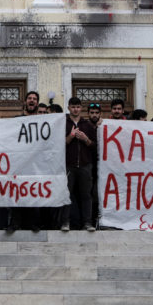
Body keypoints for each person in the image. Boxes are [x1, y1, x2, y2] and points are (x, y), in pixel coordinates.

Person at [60, 97, 97, 232]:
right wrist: (70, 136)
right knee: (66, 195)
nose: (75, 109)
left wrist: (85, 139)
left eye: (78, 107)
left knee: (86, 195)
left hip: (85, 165)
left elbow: (95, 146)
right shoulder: (63, 123)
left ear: (81, 108)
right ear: (69, 107)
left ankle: (87, 223)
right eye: (73, 107)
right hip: (68, 165)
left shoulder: (87, 125)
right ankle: (65, 222)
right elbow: (58, 145)